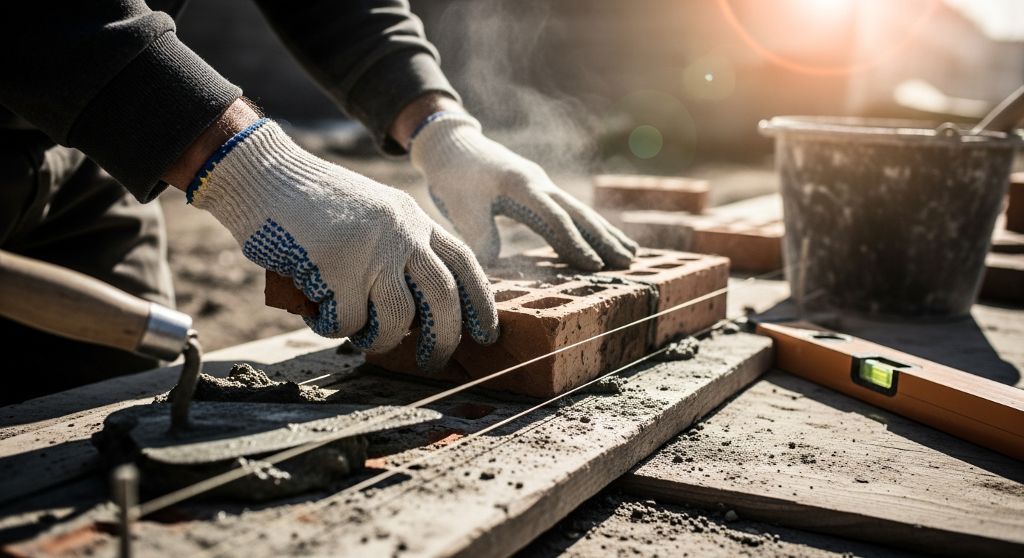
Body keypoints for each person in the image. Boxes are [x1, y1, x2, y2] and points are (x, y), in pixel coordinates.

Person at [0, 0, 636, 403]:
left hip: (85, 151)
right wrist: (249, 164)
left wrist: (438, 127)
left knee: (119, 406)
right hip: (64, 108)